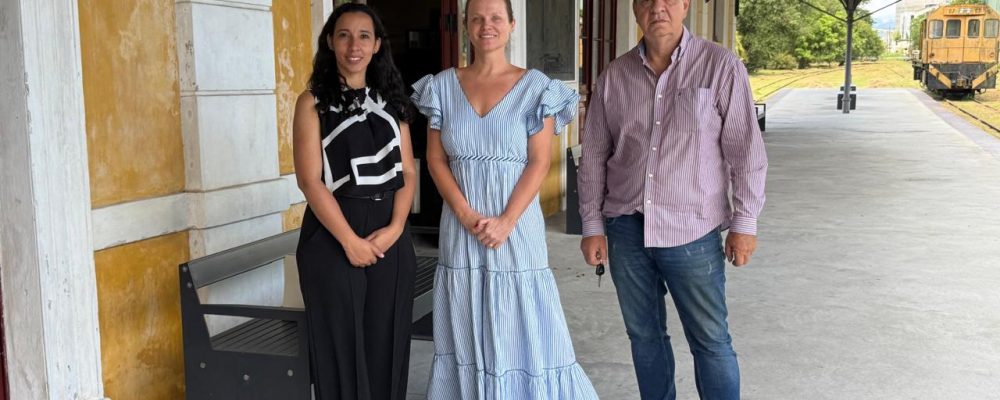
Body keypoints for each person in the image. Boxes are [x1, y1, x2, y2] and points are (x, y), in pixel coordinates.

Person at [577, 0, 768, 398]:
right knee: (644, 337)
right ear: (635, 9)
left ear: (684, 6)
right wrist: (592, 227)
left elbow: (745, 152)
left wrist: (744, 224)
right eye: (646, 0)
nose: (657, 8)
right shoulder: (615, 76)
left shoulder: (720, 66)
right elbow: (594, 154)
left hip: (693, 232)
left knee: (711, 340)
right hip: (626, 230)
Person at [409, 0, 599, 398]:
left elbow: (538, 161)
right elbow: (436, 158)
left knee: (524, 321)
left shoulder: (536, 89)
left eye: (496, 17)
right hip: (462, 228)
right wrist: (464, 214)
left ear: (512, 25)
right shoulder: (441, 87)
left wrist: (507, 221)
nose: (486, 25)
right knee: (465, 320)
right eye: (476, 17)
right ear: (465, 25)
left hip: (516, 226)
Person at [292, 4, 418, 399]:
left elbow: (409, 171)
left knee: (387, 342)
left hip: (389, 231)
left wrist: (396, 228)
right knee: (340, 351)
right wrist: (349, 241)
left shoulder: (393, 103)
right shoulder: (312, 103)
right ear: (330, 41)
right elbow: (310, 181)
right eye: (344, 34)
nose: (354, 45)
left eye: (364, 36)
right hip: (333, 232)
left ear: (378, 45)